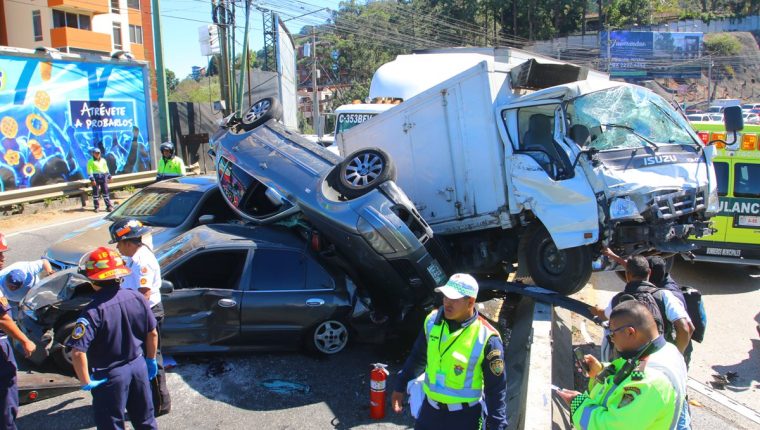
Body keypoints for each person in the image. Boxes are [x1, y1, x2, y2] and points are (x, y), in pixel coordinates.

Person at [391, 273, 508, 430]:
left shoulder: (487, 338)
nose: (447, 302)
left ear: (470, 302)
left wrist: (497, 425)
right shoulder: (432, 322)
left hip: (464, 418)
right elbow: (418, 357)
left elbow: (496, 389)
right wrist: (400, 386)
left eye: (454, 299)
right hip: (429, 412)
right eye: (446, 296)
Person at [67, 247, 158, 430]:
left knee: (112, 425)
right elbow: (152, 333)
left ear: (93, 280)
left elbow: (77, 352)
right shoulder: (137, 297)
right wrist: (151, 359)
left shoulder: (93, 311)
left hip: (109, 375)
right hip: (138, 366)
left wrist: (86, 382)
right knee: (145, 420)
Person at [557, 301, 686, 429]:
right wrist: (601, 371)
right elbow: (628, 375)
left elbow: (611, 426)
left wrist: (578, 404)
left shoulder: (649, 383)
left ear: (630, 332)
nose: (612, 340)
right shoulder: (665, 351)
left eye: (612, 334)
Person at [109, 219, 171, 416]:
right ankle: (145, 399)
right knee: (142, 358)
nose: (117, 248)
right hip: (140, 313)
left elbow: (143, 295)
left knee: (151, 358)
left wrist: (130, 318)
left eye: (118, 244)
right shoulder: (135, 256)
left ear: (128, 242)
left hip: (145, 313)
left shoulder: (142, 261)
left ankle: (159, 404)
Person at [591, 255, 693, 357]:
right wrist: (677, 357)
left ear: (627, 275)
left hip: (628, 362)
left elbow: (605, 315)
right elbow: (686, 328)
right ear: (649, 272)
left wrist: (596, 310)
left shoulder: (618, 300)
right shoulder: (664, 296)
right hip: (660, 357)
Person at [87, 147, 113, 212]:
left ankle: (109, 206)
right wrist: (92, 179)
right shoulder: (90, 161)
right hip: (95, 177)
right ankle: (96, 207)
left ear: (100, 153)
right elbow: (90, 171)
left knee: (105, 192)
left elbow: (106, 169)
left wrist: (109, 176)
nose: (97, 154)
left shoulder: (103, 160)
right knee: (95, 193)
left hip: (103, 177)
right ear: (93, 154)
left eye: (98, 153)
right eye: (95, 153)